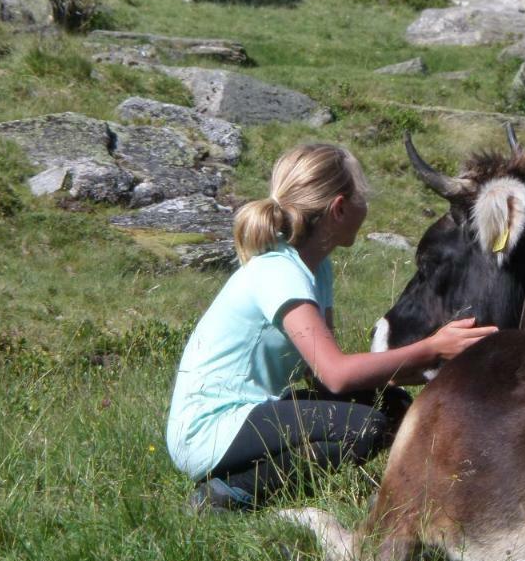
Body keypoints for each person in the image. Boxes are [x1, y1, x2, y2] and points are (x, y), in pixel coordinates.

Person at [165, 143, 497, 511]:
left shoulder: (315, 267)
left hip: (247, 415)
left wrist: (429, 370)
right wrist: (432, 348)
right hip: (210, 430)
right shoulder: (280, 271)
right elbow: (336, 375)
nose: (367, 205)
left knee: (394, 409)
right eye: (363, 194)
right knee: (364, 428)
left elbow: (320, 378)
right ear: (339, 208)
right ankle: (228, 494)